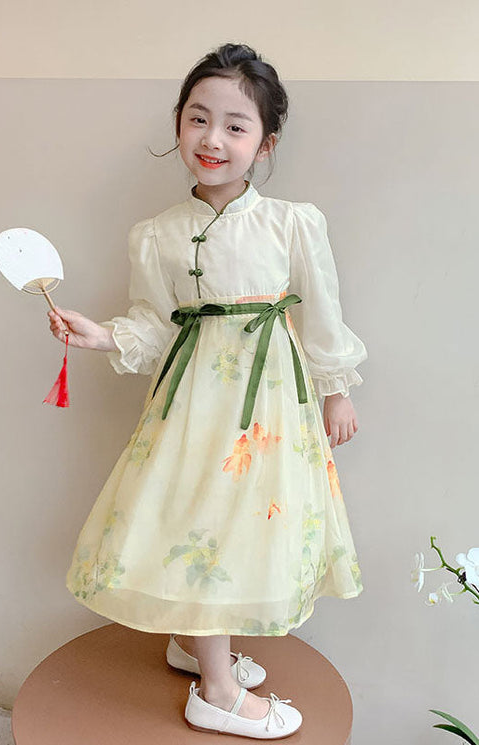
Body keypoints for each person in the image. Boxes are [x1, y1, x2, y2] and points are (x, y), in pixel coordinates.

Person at [48, 42, 368, 739]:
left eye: (235, 125)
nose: (212, 138)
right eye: (198, 118)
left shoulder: (292, 222)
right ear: (178, 123)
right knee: (201, 518)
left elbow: (322, 312)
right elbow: (154, 325)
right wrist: (101, 336)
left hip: (269, 402)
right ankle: (216, 691)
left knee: (241, 520)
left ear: (265, 143)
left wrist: (337, 388)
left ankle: (194, 644)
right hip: (193, 402)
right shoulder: (156, 235)